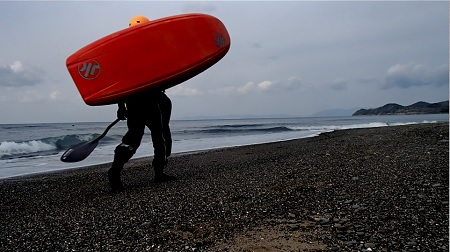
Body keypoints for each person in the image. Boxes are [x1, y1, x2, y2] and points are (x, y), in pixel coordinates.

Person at [107, 16, 176, 192]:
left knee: (134, 138)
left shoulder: (123, 53)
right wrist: (121, 106)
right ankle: (157, 173)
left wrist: (121, 106)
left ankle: (116, 172)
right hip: (149, 101)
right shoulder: (150, 51)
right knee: (158, 137)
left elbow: (119, 83)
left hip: (135, 102)